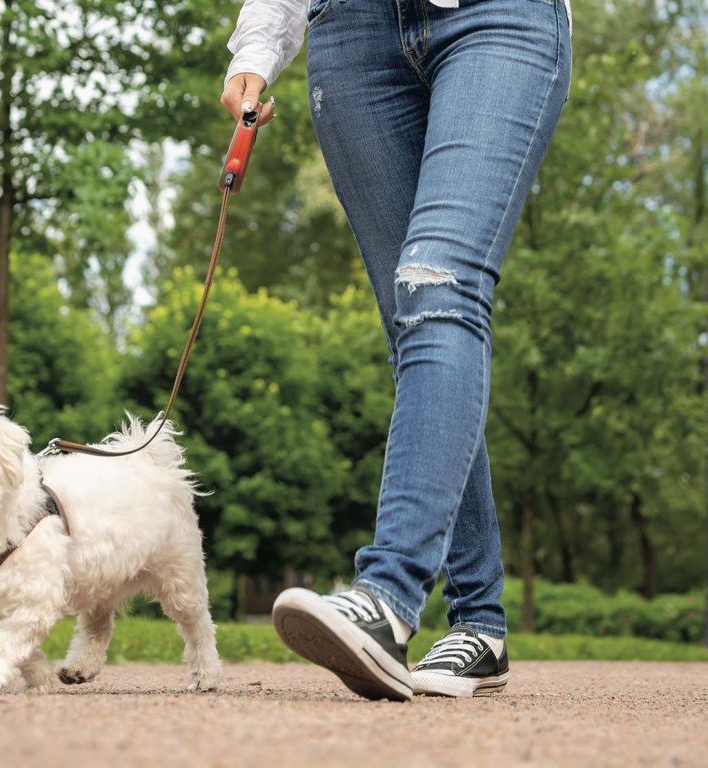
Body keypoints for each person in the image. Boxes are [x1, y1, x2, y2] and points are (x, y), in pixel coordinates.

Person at [221, 0, 571, 700]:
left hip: (496, 20)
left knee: (437, 285)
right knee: (417, 323)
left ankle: (388, 595)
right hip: (351, 35)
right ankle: (480, 623)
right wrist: (257, 47)